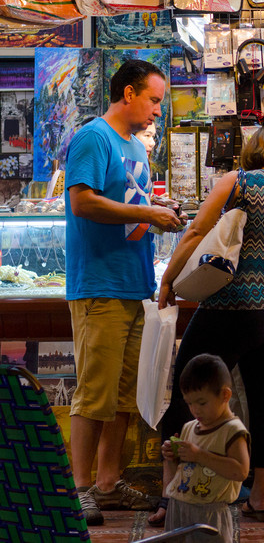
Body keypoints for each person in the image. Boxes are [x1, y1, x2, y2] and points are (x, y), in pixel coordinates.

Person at [156, 125, 264, 522]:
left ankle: (171, 496)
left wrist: (169, 279)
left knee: (186, 386)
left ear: (253, 152)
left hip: (236, 305)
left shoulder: (237, 181)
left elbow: (197, 230)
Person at [65, 59, 182, 526]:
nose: (157, 110)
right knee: (94, 393)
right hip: (99, 284)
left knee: (125, 395)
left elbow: (131, 207)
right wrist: (152, 215)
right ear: (129, 93)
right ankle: (78, 490)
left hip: (135, 284)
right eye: (154, 100)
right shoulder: (94, 137)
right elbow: (82, 201)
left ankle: (109, 483)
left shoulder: (136, 146)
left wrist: (156, 210)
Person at [162, 354, 250, 540]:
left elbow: (240, 471)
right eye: (189, 403)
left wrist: (200, 455)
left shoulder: (232, 430)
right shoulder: (189, 427)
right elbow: (181, 472)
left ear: (225, 395)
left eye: (202, 402)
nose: (195, 410)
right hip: (179, 507)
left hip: (210, 513)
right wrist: (172, 457)